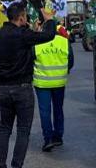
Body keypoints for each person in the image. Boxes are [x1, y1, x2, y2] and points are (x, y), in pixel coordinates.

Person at [0, 2, 56, 168]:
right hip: (22, 88)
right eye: (25, 16)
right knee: (23, 130)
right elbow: (48, 36)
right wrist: (49, 20)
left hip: (4, 88)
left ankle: (0, 164)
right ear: (21, 17)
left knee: (4, 129)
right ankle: (16, 165)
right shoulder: (22, 34)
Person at [33, 24, 74, 152]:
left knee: (45, 112)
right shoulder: (64, 41)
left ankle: (48, 139)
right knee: (58, 109)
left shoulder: (36, 42)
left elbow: (30, 60)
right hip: (59, 82)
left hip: (42, 83)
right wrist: (62, 72)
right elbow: (71, 61)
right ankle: (58, 136)